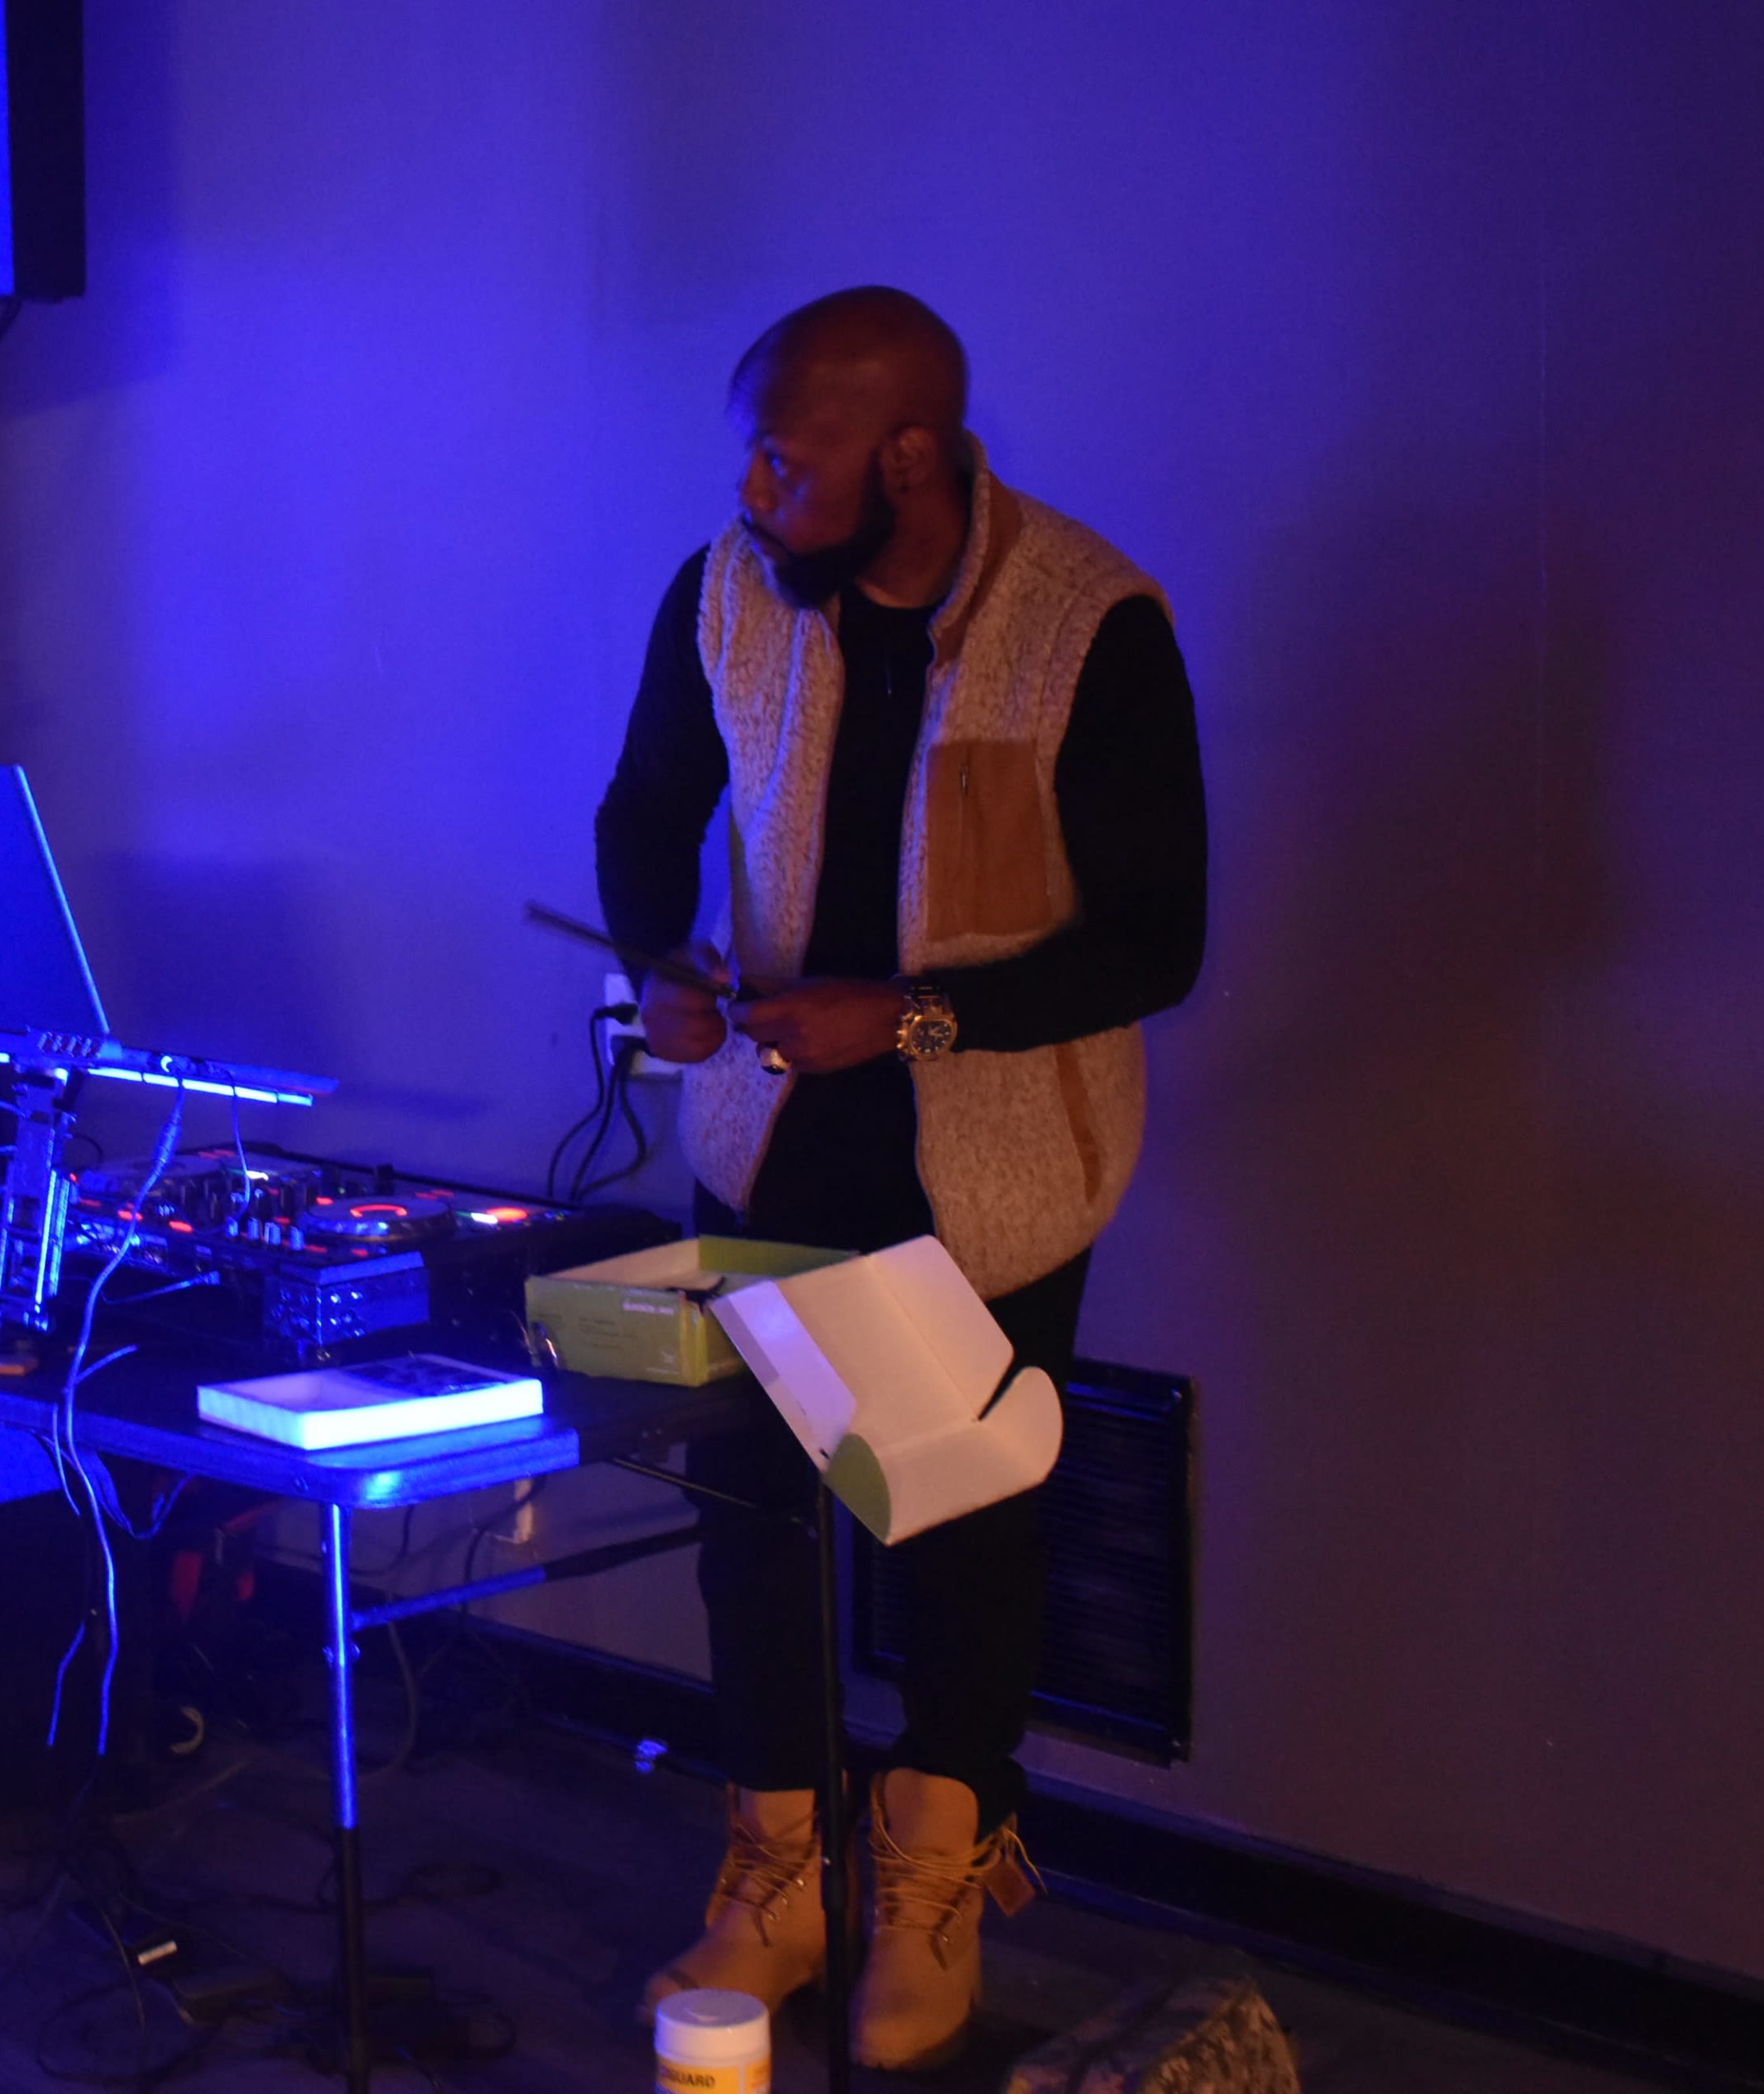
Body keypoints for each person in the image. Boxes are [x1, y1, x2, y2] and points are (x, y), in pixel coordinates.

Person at [594, 287, 1206, 2070]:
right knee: (755, 1512)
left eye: (791, 457)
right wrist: (663, 960)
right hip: (775, 1131)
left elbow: (1162, 940)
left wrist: (918, 1013)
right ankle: (773, 1876)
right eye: (755, 457)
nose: (760, 487)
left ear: (912, 456)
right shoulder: (728, 586)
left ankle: (933, 1873)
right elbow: (647, 807)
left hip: (995, 1160)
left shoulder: (1091, 623)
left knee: (961, 1514)